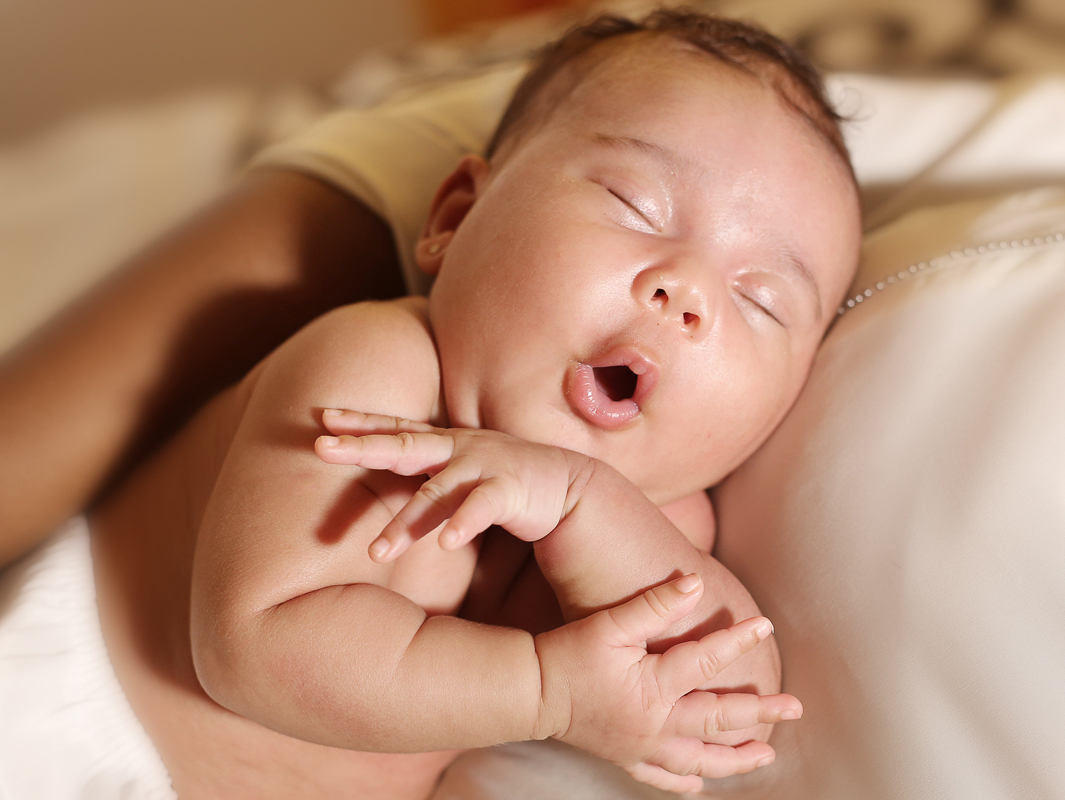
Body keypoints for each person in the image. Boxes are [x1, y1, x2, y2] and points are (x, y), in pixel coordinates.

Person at [1, 9, 860, 800]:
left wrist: (582, 506)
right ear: (456, 214)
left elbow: (732, 709)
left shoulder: (659, 527)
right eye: (636, 204)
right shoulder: (377, 373)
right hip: (56, 723)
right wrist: (547, 690)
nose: (689, 293)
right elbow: (250, 645)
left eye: (761, 301)